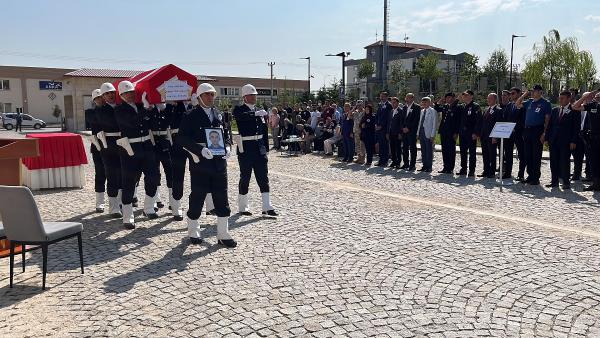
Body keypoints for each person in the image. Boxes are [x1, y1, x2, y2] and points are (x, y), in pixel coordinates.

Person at [176, 83, 236, 247]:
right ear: (199, 97)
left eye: (212, 94)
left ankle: (223, 233)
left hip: (219, 162)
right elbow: (181, 139)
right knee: (198, 196)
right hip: (200, 162)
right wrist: (199, 150)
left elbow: (226, 133)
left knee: (222, 197)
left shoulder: (219, 114)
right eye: (207, 94)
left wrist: (228, 146)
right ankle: (193, 229)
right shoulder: (190, 115)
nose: (210, 97)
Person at [113, 81, 160, 229]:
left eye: (132, 92)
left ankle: (148, 207)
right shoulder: (119, 110)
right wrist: (146, 110)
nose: (131, 95)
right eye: (127, 93)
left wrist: (154, 108)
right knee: (129, 181)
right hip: (130, 149)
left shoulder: (141, 106)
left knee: (153, 177)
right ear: (121, 95)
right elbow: (132, 123)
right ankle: (128, 215)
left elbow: (152, 123)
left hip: (146, 146)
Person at [233, 84, 277, 217]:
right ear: (245, 97)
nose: (254, 97)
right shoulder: (239, 109)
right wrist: (255, 114)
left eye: (255, 95)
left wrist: (266, 148)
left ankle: (266, 206)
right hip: (246, 148)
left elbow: (264, 130)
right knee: (245, 177)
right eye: (251, 95)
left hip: (259, 147)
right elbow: (242, 117)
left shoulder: (260, 110)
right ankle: (243, 206)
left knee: (263, 177)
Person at [516, 84, 552, 185]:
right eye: (532, 91)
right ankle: (530, 175)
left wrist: (544, 133)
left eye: (535, 91)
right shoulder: (529, 102)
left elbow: (547, 119)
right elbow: (517, 104)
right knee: (528, 155)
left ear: (540, 92)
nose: (533, 92)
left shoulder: (545, 103)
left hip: (538, 130)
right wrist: (524, 94)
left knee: (536, 155)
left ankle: (535, 177)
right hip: (527, 130)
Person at [97, 83, 123, 218]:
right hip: (108, 146)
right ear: (103, 96)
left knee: (124, 175)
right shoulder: (100, 110)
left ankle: (122, 202)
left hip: (123, 144)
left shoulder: (121, 107)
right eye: (107, 93)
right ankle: (113, 207)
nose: (111, 95)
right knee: (112, 175)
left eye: (112, 92)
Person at [544, 90, 579, 189]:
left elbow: (576, 128)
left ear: (569, 99)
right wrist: (547, 138)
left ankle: (565, 182)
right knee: (553, 161)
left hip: (566, 141)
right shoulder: (555, 110)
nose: (560, 100)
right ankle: (554, 181)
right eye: (559, 98)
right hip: (554, 140)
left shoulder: (574, 111)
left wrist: (573, 141)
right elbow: (549, 125)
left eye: (562, 98)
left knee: (564, 161)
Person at [572, 90, 600, 191]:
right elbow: (575, 107)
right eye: (595, 97)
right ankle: (595, 183)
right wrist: (584, 97)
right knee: (593, 161)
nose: (596, 99)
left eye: (598, 98)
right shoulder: (592, 106)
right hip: (592, 138)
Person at [85, 89, 107, 212]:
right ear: (94, 100)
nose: (100, 99)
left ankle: (116, 201)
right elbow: (96, 121)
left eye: (101, 97)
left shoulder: (111, 110)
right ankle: (100, 202)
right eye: (97, 98)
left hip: (110, 146)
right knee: (100, 173)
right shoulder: (90, 112)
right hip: (98, 147)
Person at [165, 101, 187, 221]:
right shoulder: (171, 107)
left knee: (201, 173)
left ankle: (208, 204)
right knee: (178, 174)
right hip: (177, 141)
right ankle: (176, 204)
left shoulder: (196, 103)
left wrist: (194, 105)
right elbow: (166, 121)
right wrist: (170, 104)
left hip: (194, 141)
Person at [150, 102, 174, 212]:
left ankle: (173, 202)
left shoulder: (169, 107)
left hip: (165, 142)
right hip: (153, 142)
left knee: (170, 171)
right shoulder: (150, 108)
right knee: (154, 172)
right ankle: (155, 199)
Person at [457, 90, 481, 177]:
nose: (464, 97)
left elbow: (478, 121)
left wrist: (476, 133)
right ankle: (463, 169)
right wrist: (458, 98)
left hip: (471, 133)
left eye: (466, 95)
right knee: (463, 152)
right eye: (463, 95)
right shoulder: (462, 106)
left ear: (471, 96)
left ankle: (471, 170)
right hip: (462, 133)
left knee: (472, 153)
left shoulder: (475, 106)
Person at [435, 93, 461, 174]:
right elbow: (437, 108)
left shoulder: (457, 107)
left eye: (450, 97)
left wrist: (456, 132)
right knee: (444, 150)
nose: (448, 99)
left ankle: (450, 168)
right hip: (443, 131)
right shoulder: (445, 106)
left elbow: (458, 121)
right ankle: (445, 167)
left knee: (451, 150)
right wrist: (440, 101)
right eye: (447, 98)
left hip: (451, 132)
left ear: (453, 98)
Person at [479, 93, 502, 178]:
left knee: (492, 154)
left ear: (495, 100)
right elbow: (483, 123)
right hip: (484, 136)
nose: (488, 100)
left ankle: (492, 171)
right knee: (485, 154)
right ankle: (486, 170)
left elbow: (498, 124)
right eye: (487, 98)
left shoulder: (498, 110)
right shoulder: (486, 109)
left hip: (492, 136)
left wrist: (495, 136)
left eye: (490, 99)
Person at [400, 93, 421, 171]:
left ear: (412, 98)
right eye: (406, 97)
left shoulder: (417, 107)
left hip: (412, 131)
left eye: (409, 97)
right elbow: (402, 119)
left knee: (412, 148)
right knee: (404, 148)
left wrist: (408, 128)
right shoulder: (404, 107)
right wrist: (403, 128)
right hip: (404, 131)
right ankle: (406, 163)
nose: (407, 99)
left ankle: (412, 165)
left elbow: (416, 120)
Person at [417, 97, 438, 172]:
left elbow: (434, 124)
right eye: (423, 102)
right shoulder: (422, 111)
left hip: (428, 133)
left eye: (426, 102)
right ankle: (424, 165)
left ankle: (429, 166)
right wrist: (417, 133)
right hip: (422, 132)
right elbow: (420, 123)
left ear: (429, 102)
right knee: (423, 150)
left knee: (429, 150)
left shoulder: (433, 111)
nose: (424, 103)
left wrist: (432, 135)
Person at [375, 91, 393, 167]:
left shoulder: (389, 105)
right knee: (380, 145)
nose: (381, 98)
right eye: (380, 96)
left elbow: (388, 119)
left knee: (385, 145)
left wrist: (382, 126)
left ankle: (385, 161)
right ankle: (380, 160)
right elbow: (377, 116)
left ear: (386, 97)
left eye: (382, 96)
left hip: (384, 128)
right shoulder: (379, 105)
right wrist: (376, 124)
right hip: (378, 128)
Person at [389, 97, 404, 169]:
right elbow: (389, 122)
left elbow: (401, 123)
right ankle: (393, 161)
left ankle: (398, 162)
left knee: (398, 148)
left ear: (398, 103)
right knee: (392, 148)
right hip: (391, 132)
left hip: (397, 133)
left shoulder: (400, 111)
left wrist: (400, 133)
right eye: (392, 102)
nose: (393, 104)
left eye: (394, 102)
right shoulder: (391, 111)